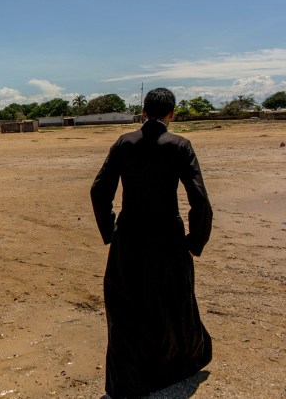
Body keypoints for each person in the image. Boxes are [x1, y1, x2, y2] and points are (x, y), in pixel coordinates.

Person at [90, 88, 213, 398]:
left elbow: (99, 191)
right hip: (168, 238)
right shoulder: (180, 145)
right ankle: (173, 367)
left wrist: (110, 230)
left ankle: (129, 380)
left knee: (127, 306)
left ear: (143, 112)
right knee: (172, 302)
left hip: (129, 236)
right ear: (171, 114)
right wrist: (193, 242)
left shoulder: (124, 143)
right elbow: (200, 202)